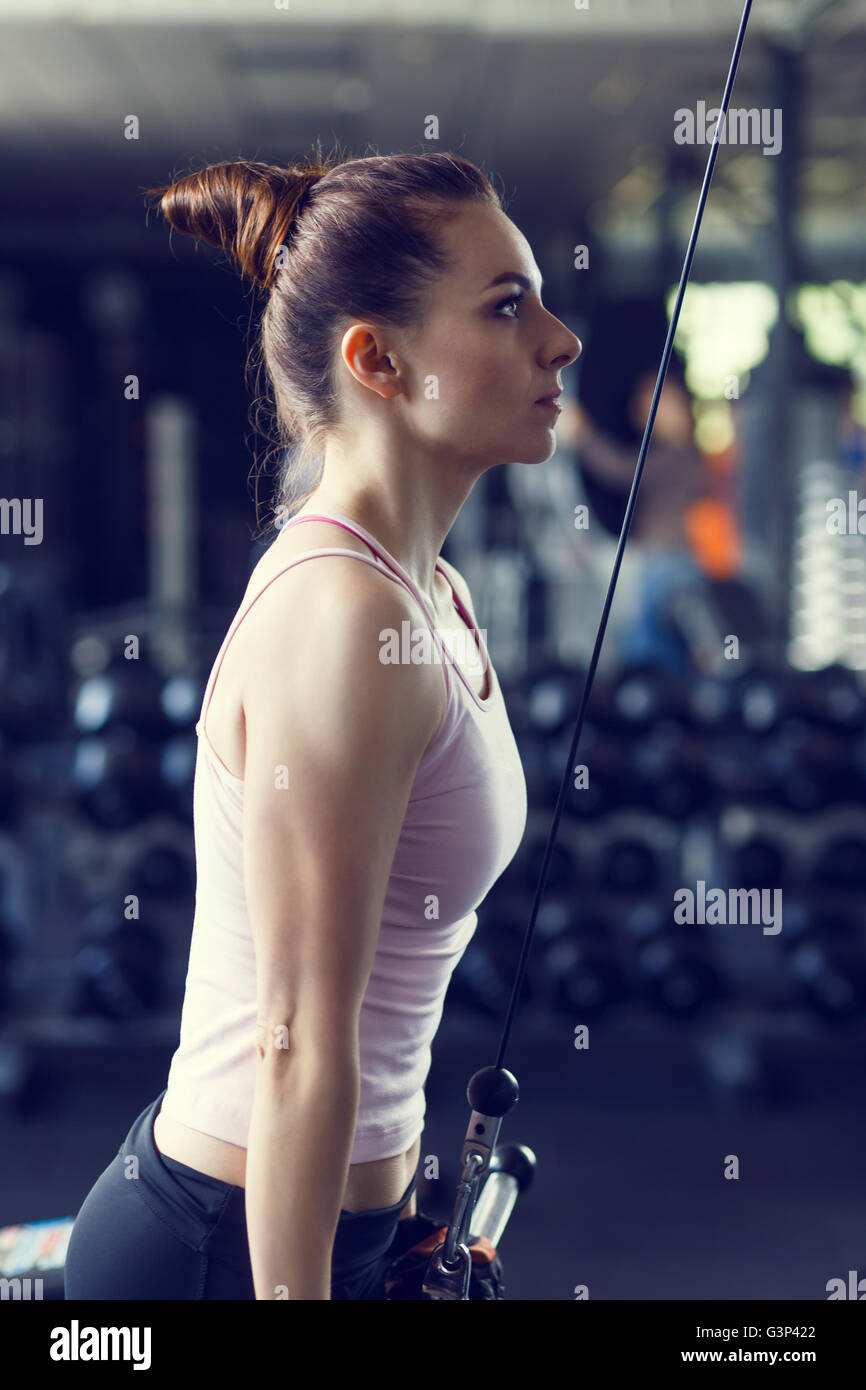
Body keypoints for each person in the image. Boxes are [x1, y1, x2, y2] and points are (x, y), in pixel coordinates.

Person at [63, 148, 581, 1300]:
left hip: (331, 1230)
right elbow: (293, 1038)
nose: (559, 338)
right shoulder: (343, 616)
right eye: (507, 305)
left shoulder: (425, 592)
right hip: (220, 1256)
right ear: (376, 359)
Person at [567, 368, 739, 674]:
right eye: (645, 408)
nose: (648, 415)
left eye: (656, 406)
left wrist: (584, 436)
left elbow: (623, 470)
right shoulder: (681, 453)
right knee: (658, 641)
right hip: (666, 559)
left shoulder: (682, 455)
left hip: (669, 561)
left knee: (649, 645)